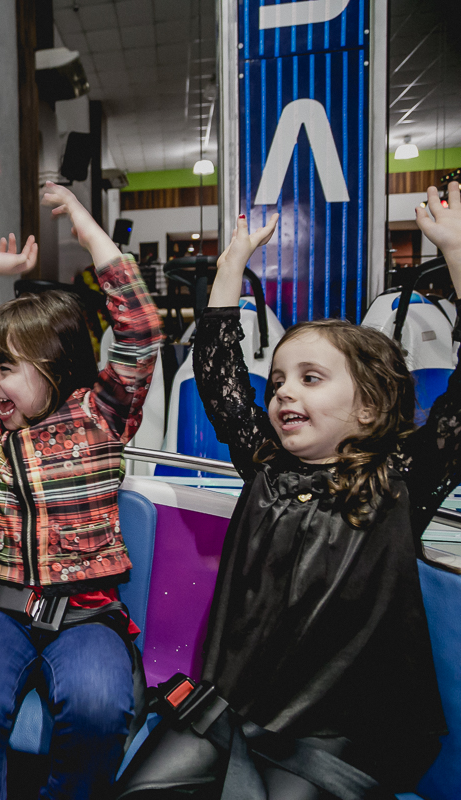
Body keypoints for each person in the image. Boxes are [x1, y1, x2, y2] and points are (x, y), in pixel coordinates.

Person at [119, 185, 461, 799]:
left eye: (310, 378)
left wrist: (457, 254)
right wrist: (231, 267)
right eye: (278, 380)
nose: (283, 392)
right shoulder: (266, 463)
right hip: (230, 711)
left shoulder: (400, 479)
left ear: (370, 405)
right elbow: (220, 376)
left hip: (333, 733)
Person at [0, 183, 163, 800]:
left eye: (5, 368)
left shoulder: (100, 416)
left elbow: (140, 332)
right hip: (0, 606)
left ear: (56, 365)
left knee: (99, 708)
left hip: (87, 610)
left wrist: (90, 234)